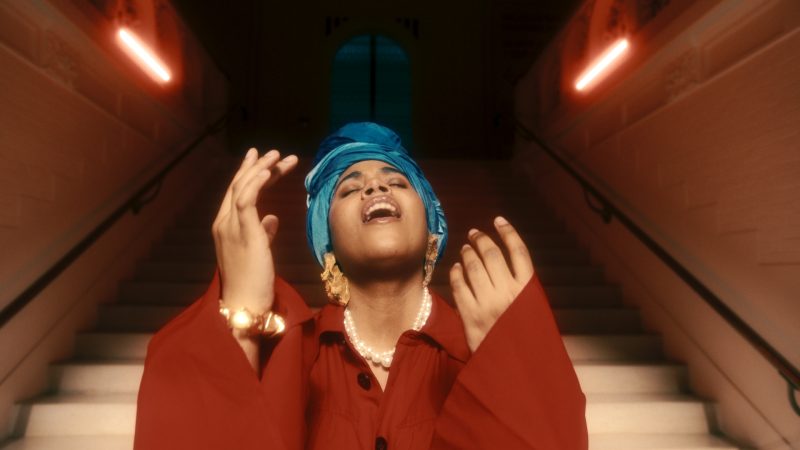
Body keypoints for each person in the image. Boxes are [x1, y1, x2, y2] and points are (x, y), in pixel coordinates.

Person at [133, 123, 588, 450]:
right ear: (326, 242)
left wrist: (514, 362)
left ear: (431, 227)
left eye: (397, 181)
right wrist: (240, 313)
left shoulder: (481, 354)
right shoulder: (281, 357)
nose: (374, 188)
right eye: (349, 190)